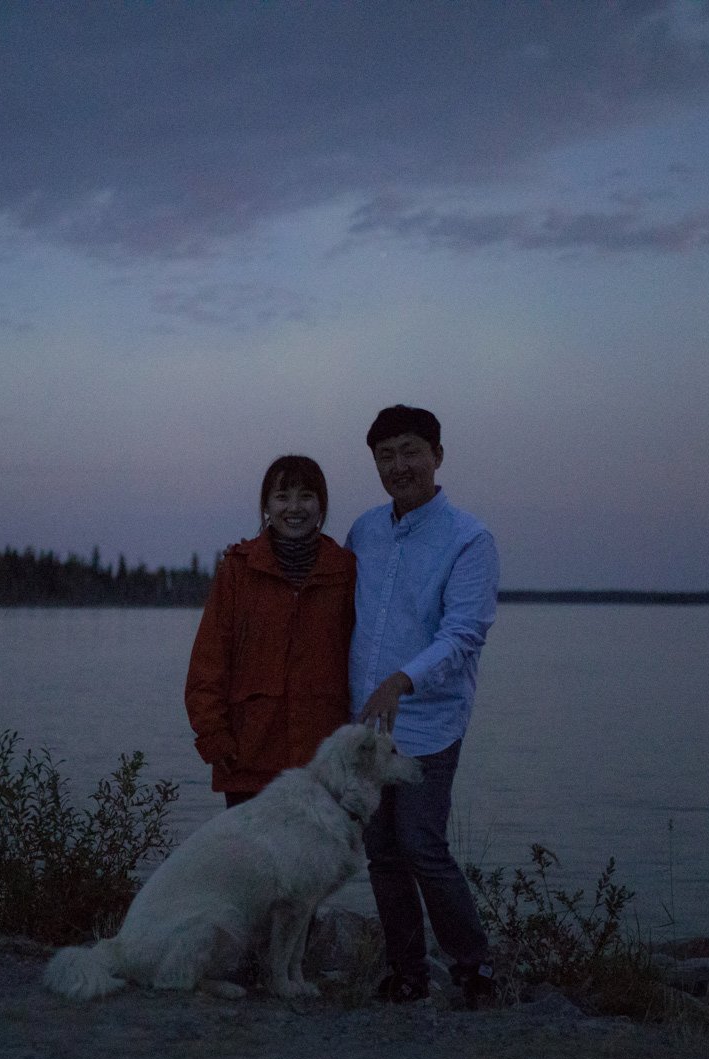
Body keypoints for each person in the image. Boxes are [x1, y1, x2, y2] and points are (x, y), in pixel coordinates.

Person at [346, 405, 501, 1006]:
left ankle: (474, 967)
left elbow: (464, 633)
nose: (398, 466)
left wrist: (400, 682)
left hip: (428, 722)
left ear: (438, 455)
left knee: (420, 843)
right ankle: (407, 972)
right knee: (380, 851)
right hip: (364, 725)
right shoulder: (364, 530)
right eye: (385, 455)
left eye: (410, 451)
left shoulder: (469, 539)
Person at [185, 455, 355, 807]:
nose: (294, 508)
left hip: (325, 763)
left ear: (322, 503)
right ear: (266, 506)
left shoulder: (346, 571)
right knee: (254, 862)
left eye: (306, 496)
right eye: (282, 497)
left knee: (321, 861)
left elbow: (367, 655)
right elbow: (208, 662)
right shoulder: (238, 569)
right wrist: (213, 736)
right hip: (250, 760)